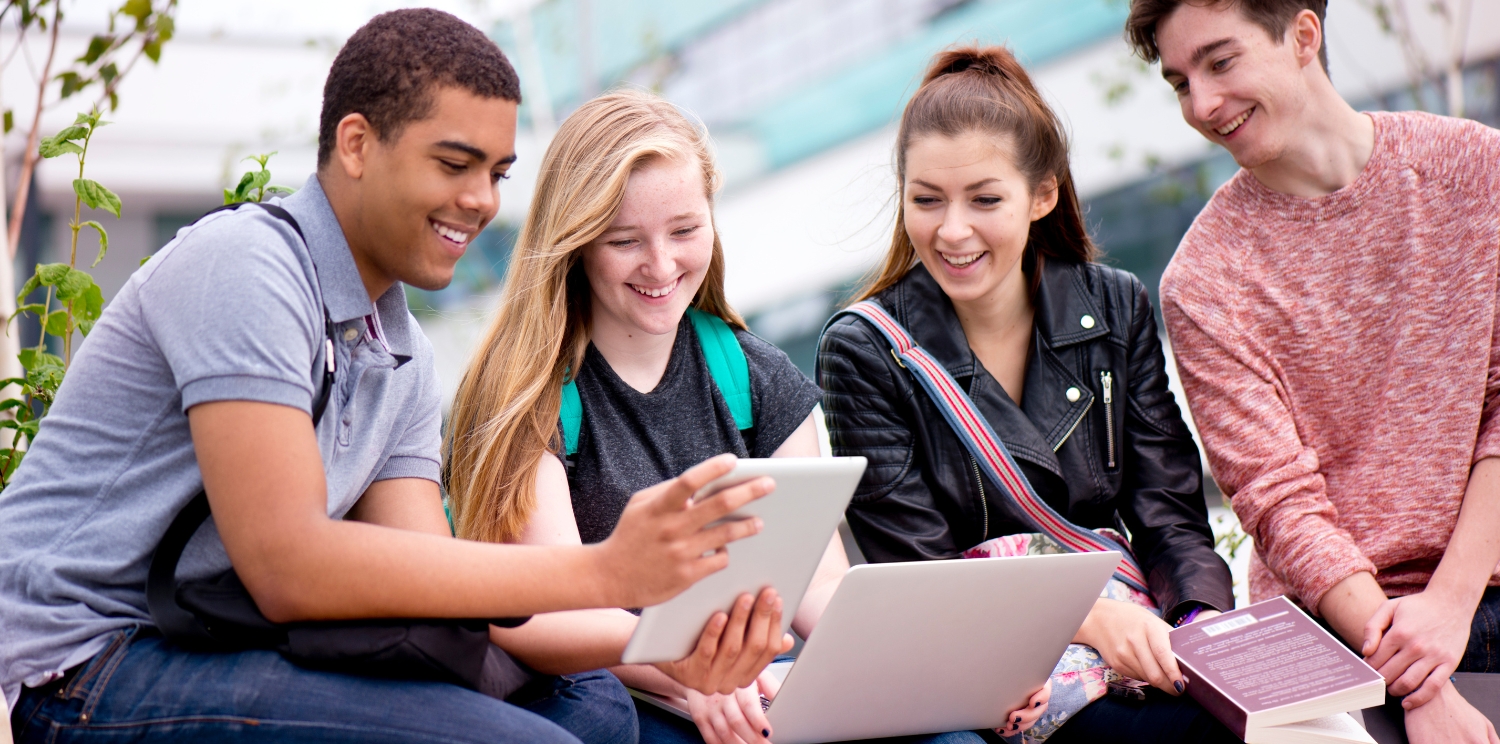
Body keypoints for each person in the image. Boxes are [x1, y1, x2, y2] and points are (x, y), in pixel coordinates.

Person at [0, 11, 788, 744]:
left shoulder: (399, 346)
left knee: (593, 707)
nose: (480, 201)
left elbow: (423, 582)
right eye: (454, 163)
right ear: (356, 145)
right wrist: (606, 570)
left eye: (499, 173)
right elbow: (287, 566)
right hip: (87, 660)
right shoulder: (247, 267)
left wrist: (674, 644)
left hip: (223, 639)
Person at [444, 87, 1049, 744]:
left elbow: (818, 586)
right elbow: (540, 617)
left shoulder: (752, 375)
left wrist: (952, 673)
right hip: (620, 696)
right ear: (577, 241)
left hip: (753, 684)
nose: (661, 264)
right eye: (624, 241)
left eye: (684, 231)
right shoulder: (527, 393)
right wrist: (689, 672)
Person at [817, 45, 1238, 744]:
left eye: (985, 199)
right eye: (926, 200)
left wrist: (1199, 625)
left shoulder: (1114, 304)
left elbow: (1166, 512)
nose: (952, 231)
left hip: (1136, 632)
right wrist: (1093, 621)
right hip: (992, 664)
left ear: (1041, 194)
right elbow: (920, 575)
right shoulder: (866, 349)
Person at [1125, 0, 1500, 741]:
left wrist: (1448, 609)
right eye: (1179, 82)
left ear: (1303, 35)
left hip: (1477, 590)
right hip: (1336, 635)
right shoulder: (1203, 283)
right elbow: (1280, 502)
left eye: (1221, 62)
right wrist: (1420, 686)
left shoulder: (1475, 171)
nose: (1201, 105)